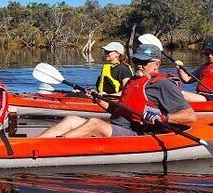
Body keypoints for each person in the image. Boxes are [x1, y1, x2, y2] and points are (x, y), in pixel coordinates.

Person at [39, 44, 196, 138]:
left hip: (137, 134)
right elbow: (118, 110)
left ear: (156, 63)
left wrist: (163, 118)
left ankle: (50, 147)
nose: (138, 65)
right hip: (118, 127)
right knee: (71, 119)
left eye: (143, 62)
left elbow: (190, 116)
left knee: (95, 123)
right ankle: (34, 144)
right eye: (136, 61)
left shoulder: (163, 84)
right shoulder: (134, 81)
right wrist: (98, 99)